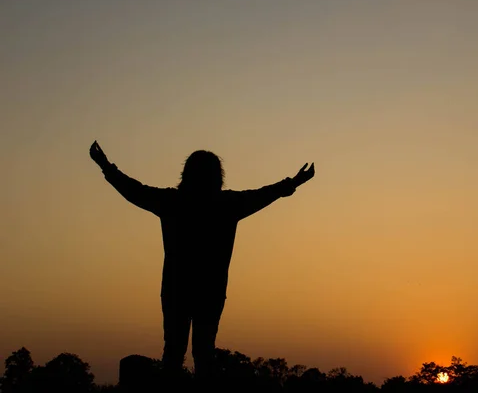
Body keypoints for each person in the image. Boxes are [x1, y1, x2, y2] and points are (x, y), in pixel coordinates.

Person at [89, 141, 315, 384]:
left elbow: (134, 190)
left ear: (186, 174)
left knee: (174, 353)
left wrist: (106, 166)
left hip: (177, 290)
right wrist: (292, 183)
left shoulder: (174, 202)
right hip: (210, 291)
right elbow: (264, 194)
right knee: (203, 353)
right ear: (218, 176)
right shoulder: (226, 204)